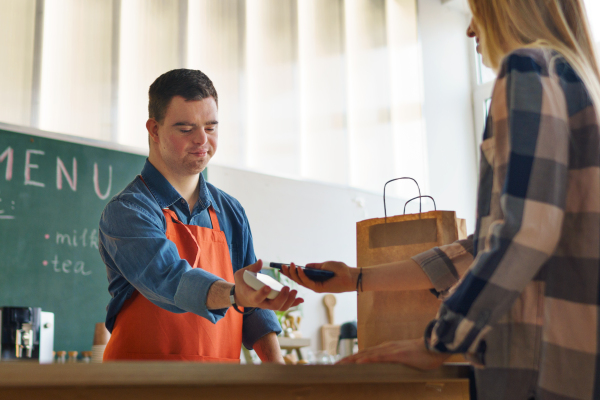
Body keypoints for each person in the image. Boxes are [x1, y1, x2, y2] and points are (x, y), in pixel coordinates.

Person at [282, 0, 600, 398]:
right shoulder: (579, 85)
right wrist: (358, 278)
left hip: (538, 368)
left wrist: (439, 341)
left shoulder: (527, 70)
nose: (471, 31)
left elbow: (524, 233)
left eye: (476, 13)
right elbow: (484, 247)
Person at [99, 69, 302, 363]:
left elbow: (253, 303)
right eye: (185, 128)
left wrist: (278, 369)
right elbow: (170, 280)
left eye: (210, 127)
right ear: (154, 130)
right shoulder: (128, 211)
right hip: (141, 384)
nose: (201, 140)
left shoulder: (231, 211)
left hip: (218, 387)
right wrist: (235, 295)